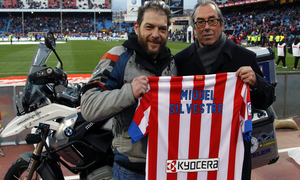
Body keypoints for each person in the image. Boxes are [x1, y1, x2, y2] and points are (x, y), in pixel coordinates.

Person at [174, 1, 275, 179]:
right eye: (200, 22)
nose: (206, 27)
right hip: (194, 154)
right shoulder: (180, 62)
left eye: (212, 21)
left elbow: (266, 100)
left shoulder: (244, 57)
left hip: (233, 154)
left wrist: (256, 83)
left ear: (221, 24)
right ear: (194, 27)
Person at [80, 1, 176, 179]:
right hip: (131, 168)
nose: (156, 35)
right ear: (137, 27)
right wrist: (129, 93)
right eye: (149, 27)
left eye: (162, 29)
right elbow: (88, 106)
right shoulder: (118, 56)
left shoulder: (173, 63)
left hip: (167, 165)